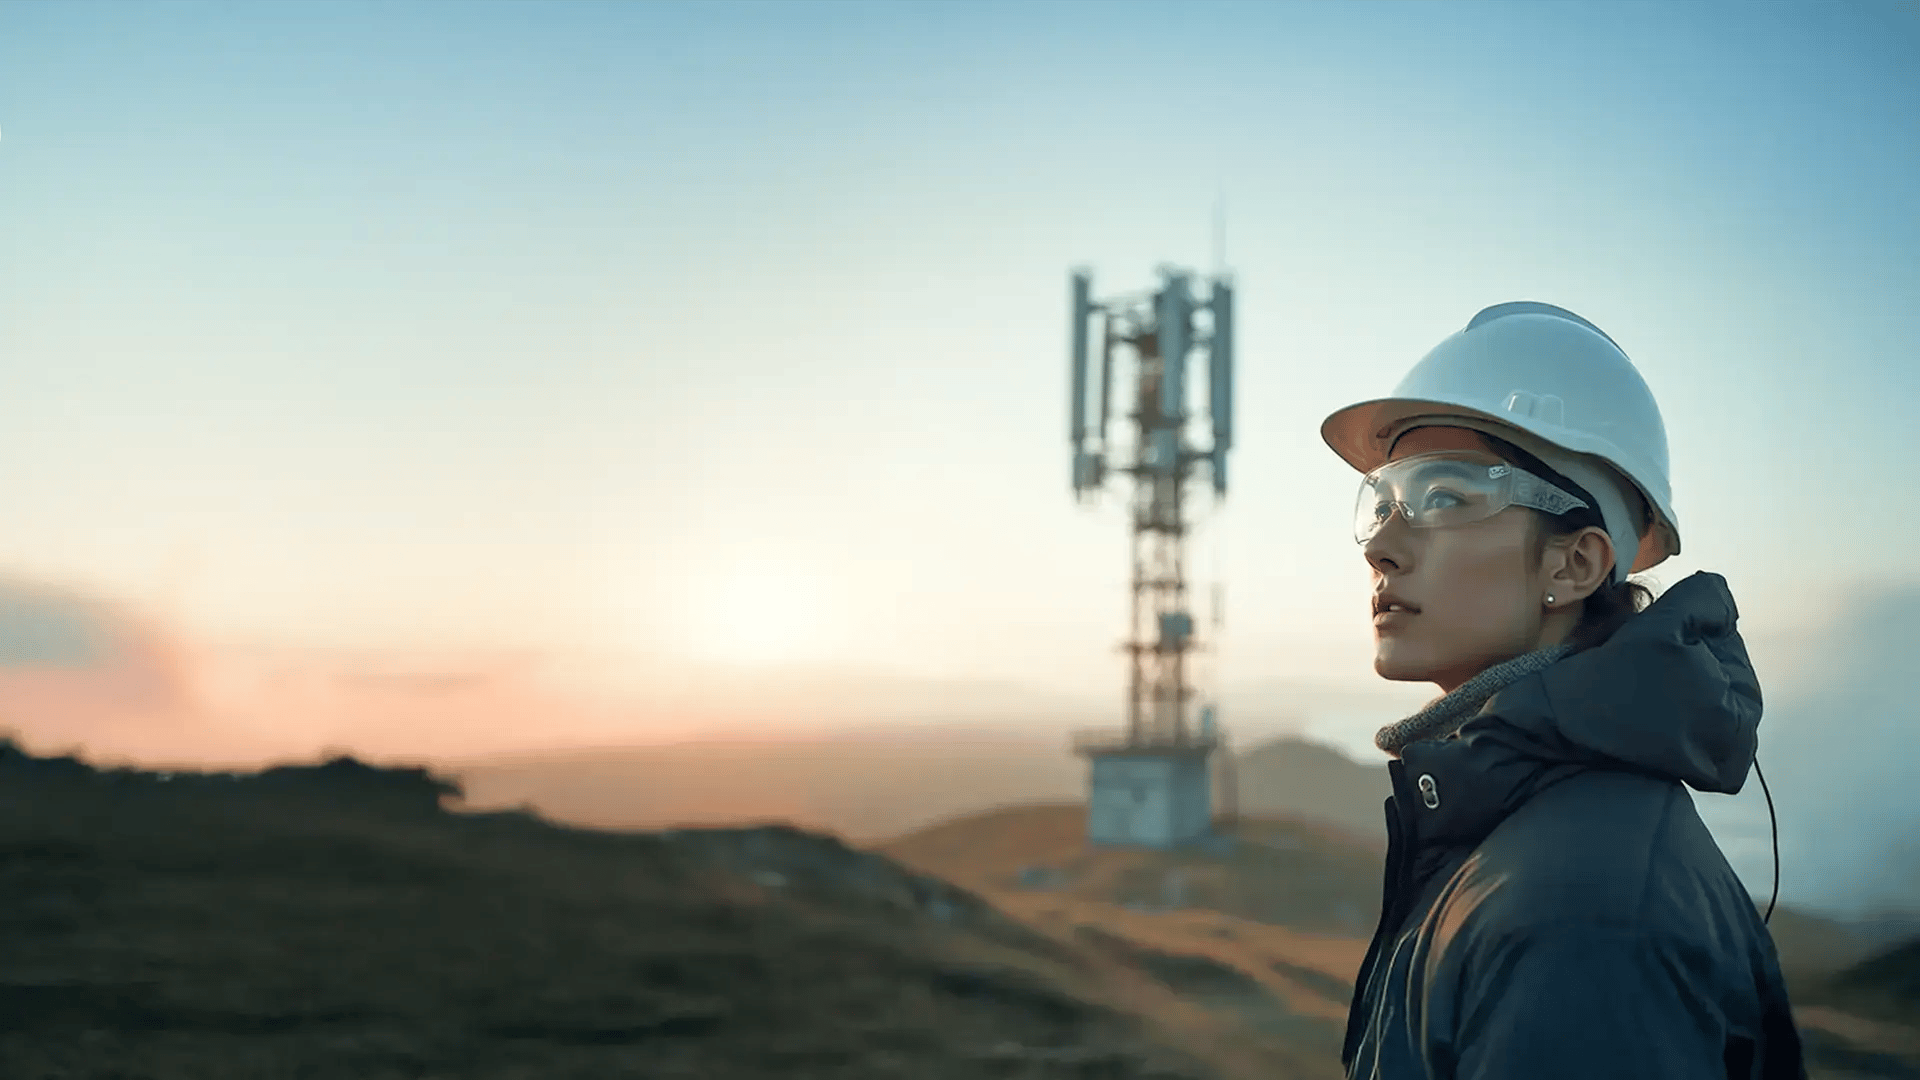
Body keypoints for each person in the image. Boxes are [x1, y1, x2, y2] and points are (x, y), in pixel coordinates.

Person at [1318, 302, 1807, 1079]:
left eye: (1442, 496)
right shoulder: (1521, 831)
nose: (1380, 545)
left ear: (1574, 566)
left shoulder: (1583, 916)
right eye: (1382, 502)